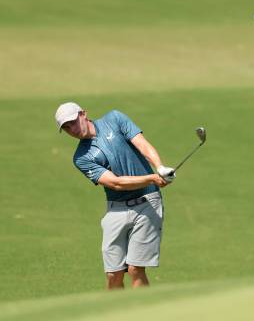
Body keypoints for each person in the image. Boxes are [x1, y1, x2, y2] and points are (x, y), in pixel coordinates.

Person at [54, 102, 175, 290]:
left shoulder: (114, 119)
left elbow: (142, 145)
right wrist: (152, 178)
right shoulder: (81, 158)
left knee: (135, 269)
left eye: (73, 122)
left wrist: (160, 168)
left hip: (147, 203)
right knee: (113, 274)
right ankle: (114, 315)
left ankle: (144, 315)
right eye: (67, 128)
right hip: (116, 209)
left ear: (83, 114)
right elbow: (115, 183)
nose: (72, 129)